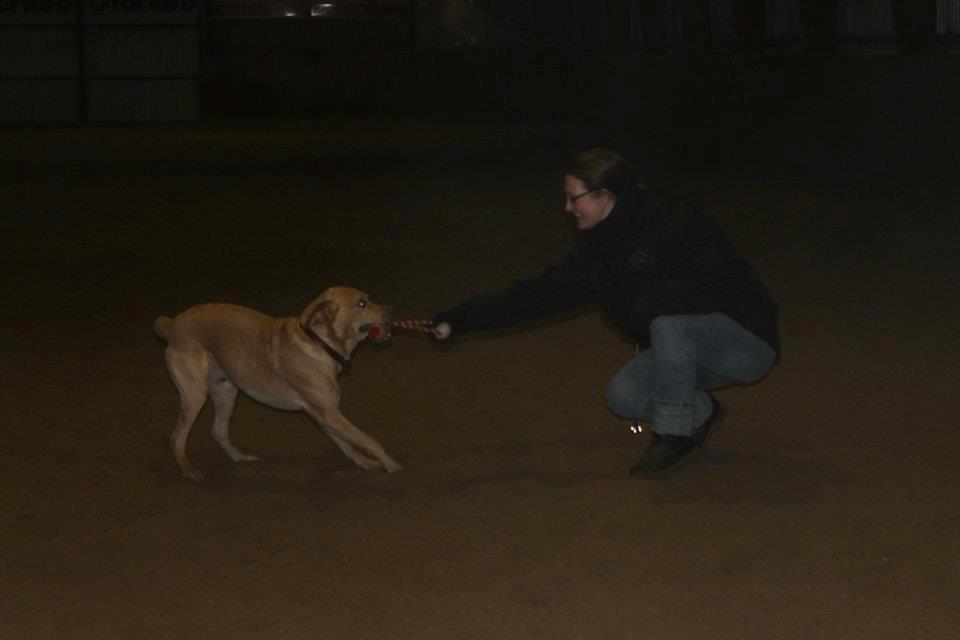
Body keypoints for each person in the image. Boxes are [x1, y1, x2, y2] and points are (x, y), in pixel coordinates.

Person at [430, 148, 780, 477]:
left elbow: (714, 287)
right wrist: (461, 319)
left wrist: (641, 296)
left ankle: (673, 435)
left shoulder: (670, 219)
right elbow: (537, 295)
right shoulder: (596, 250)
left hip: (744, 339)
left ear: (604, 195)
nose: (567, 207)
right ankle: (700, 412)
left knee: (669, 322)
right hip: (689, 349)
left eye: (574, 198)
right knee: (625, 396)